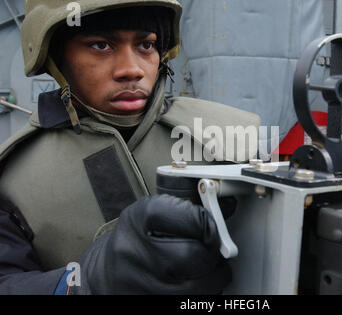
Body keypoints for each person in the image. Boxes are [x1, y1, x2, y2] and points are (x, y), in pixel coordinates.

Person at [0, 0, 260, 295]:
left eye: (146, 45)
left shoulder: (231, 138)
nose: (131, 70)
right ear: (57, 56)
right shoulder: (13, 176)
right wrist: (80, 284)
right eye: (100, 46)